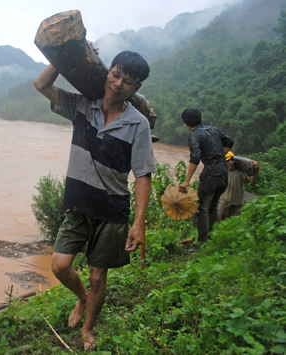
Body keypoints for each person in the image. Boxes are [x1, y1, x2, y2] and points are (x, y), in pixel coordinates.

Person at [34, 49, 156, 350]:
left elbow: (143, 175)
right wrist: (64, 55)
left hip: (112, 210)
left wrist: (139, 223)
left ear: (136, 88)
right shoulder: (81, 106)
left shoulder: (138, 124)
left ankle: (88, 329)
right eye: (115, 75)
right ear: (107, 72)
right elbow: (42, 85)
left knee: (98, 276)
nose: (117, 84)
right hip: (78, 206)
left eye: (127, 82)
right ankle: (82, 297)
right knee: (60, 266)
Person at [178, 108, 234, 246]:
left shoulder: (194, 135)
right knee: (213, 207)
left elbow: (195, 157)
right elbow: (229, 141)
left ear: (186, 123)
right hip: (223, 174)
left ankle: (201, 243)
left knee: (202, 209)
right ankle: (212, 240)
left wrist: (186, 181)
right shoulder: (213, 129)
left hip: (210, 175)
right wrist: (218, 153)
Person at [218, 151, 259, 221]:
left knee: (233, 222)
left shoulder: (241, 173)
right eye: (225, 162)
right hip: (224, 201)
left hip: (237, 203)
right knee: (219, 219)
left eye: (229, 161)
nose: (227, 163)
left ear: (233, 161)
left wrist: (257, 171)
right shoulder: (223, 172)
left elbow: (252, 180)